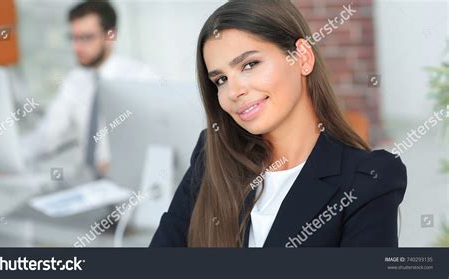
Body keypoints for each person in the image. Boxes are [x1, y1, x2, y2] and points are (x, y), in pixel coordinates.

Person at [150, 0, 407, 247]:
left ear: (303, 58)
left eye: (250, 64)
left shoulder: (369, 178)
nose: (233, 91)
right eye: (220, 80)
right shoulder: (212, 155)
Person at [22, 0, 157, 178]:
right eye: (73, 38)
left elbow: (156, 139)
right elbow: (48, 134)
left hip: (128, 180)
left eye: (86, 38)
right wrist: (13, 158)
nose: (76, 47)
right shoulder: (75, 80)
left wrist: (119, 163)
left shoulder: (140, 76)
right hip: (85, 180)